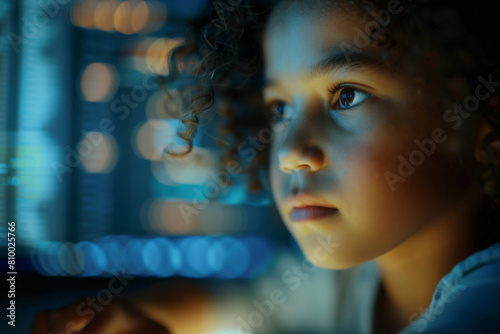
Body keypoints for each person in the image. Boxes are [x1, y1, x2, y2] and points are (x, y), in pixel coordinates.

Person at [31, 0, 500, 333]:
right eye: (280, 109)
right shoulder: (354, 285)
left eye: (347, 95)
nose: (291, 150)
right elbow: (236, 304)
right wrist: (120, 318)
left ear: (482, 124)